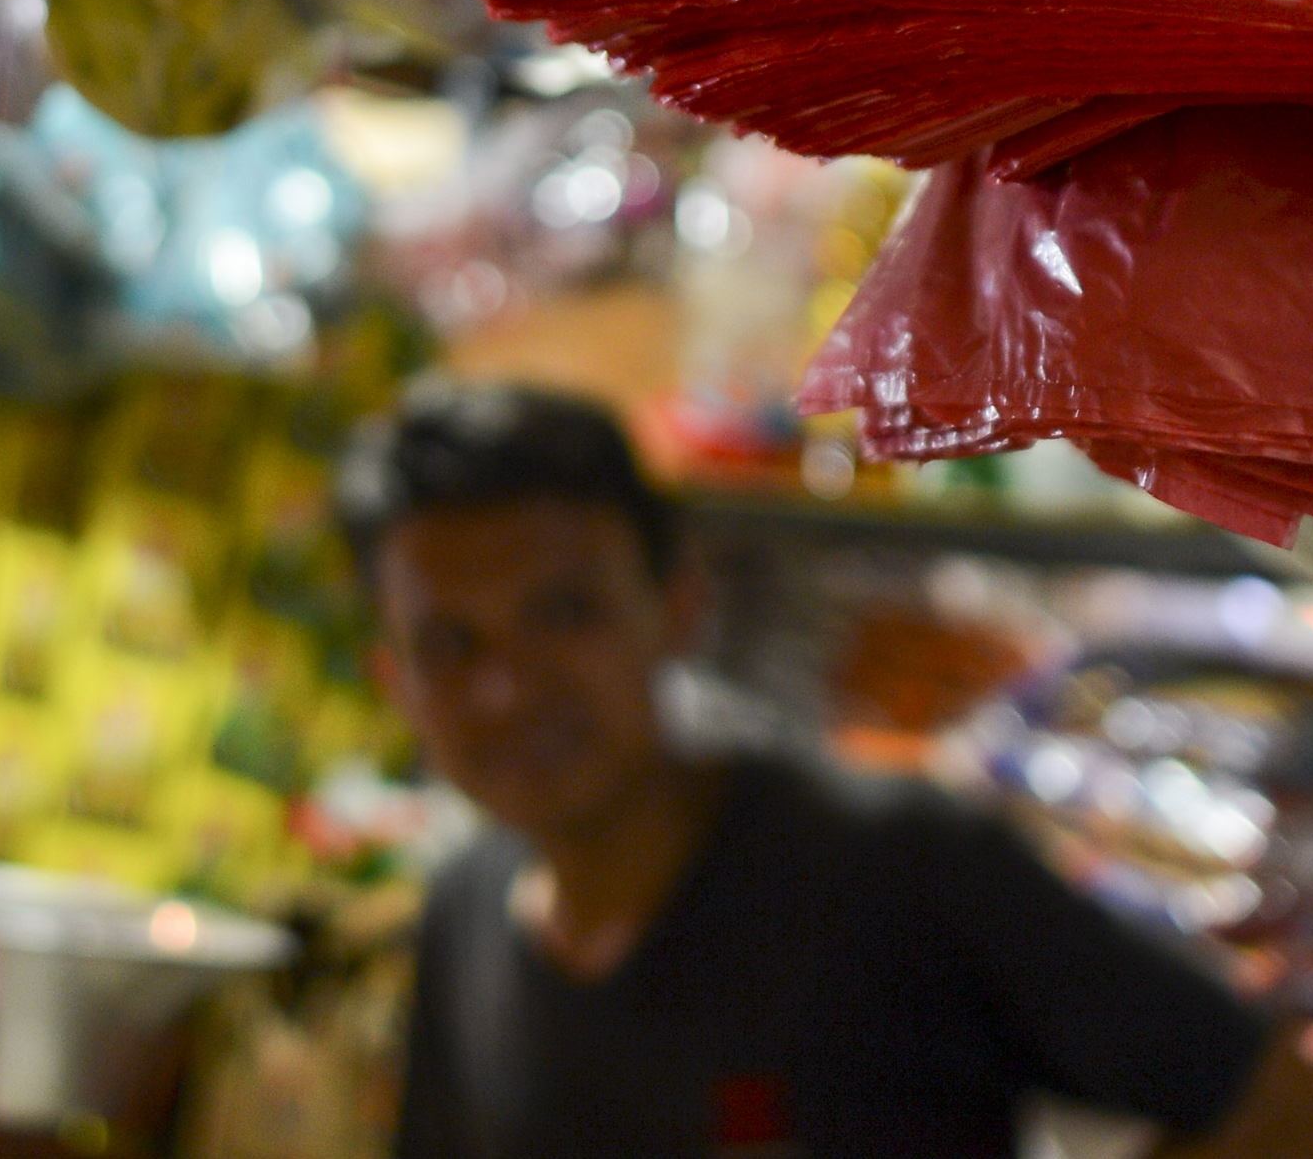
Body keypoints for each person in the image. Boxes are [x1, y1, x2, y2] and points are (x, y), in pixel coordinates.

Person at [342, 379, 1266, 1159]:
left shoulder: (895, 864)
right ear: (393, 681)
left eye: (564, 613)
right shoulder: (462, 916)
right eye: (449, 643)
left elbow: (1278, 1098)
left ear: (678, 607)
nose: (507, 690)